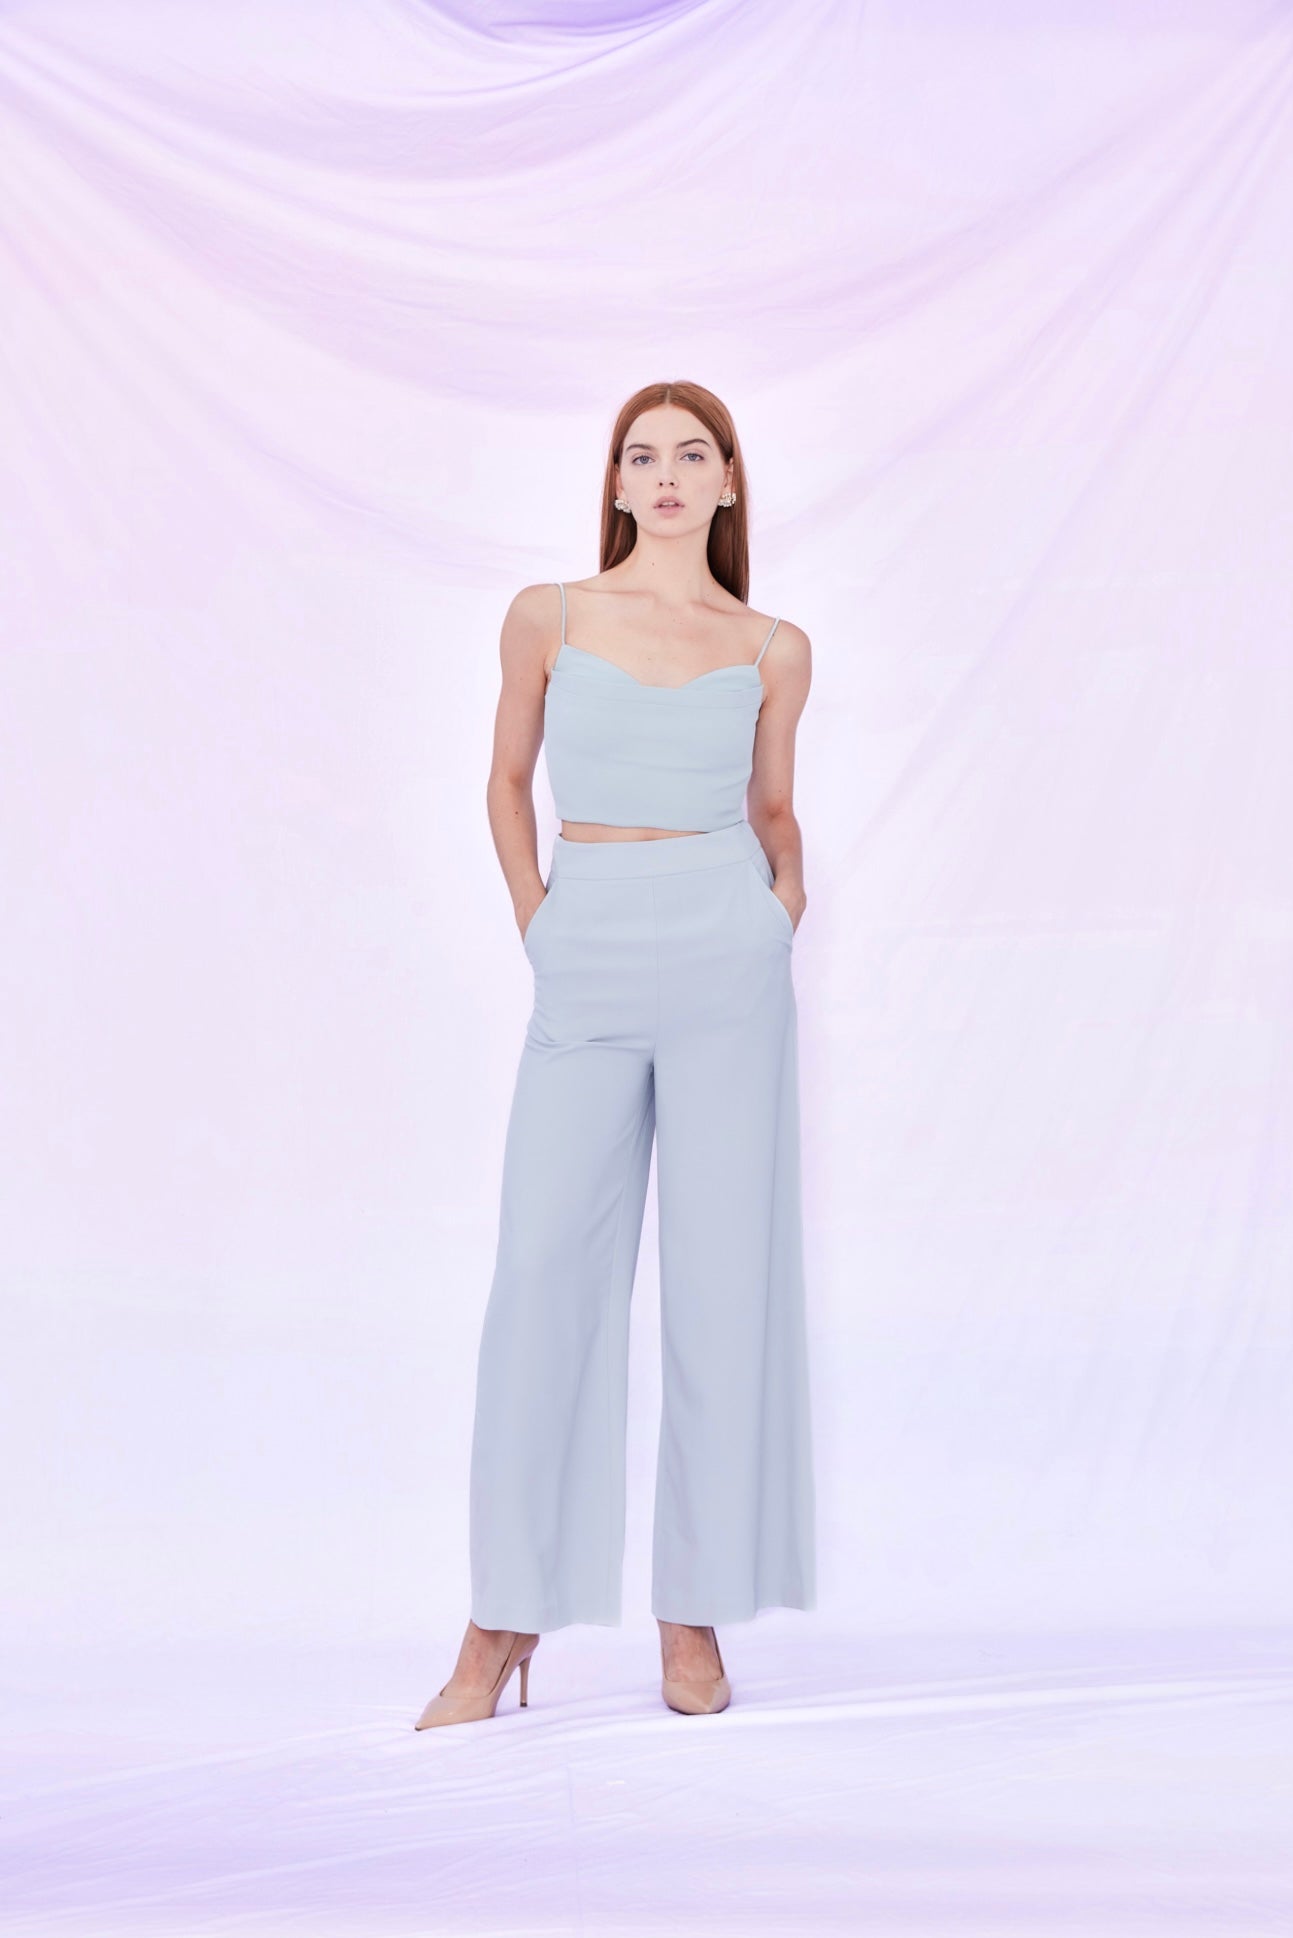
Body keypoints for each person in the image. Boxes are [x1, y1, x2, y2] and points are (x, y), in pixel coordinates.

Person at [415, 380, 815, 1728]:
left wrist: (779, 908)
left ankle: (691, 1614)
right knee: (543, 1273)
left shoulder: (771, 645)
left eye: (691, 455)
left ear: (727, 483)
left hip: (724, 951)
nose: (664, 475)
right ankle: (500, 1621)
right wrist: (538, 917)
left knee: (721, 1283)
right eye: (640, 457)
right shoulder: (549, 616)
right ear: (617, 483)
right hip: (584, 938)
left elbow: (775, 807)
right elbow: (503, 780)